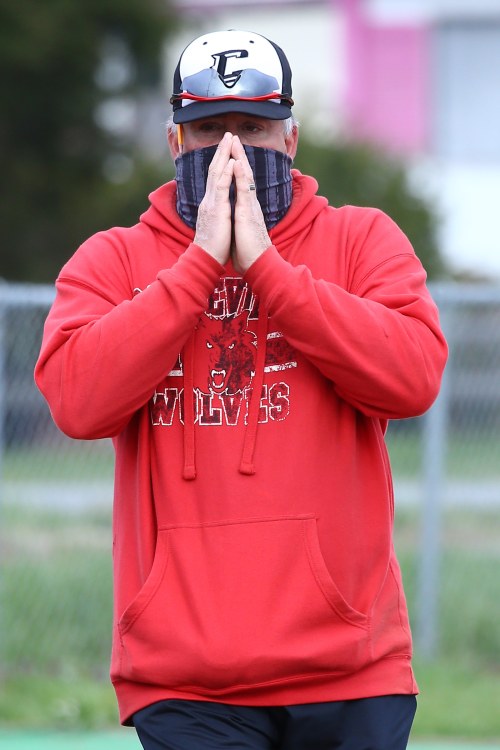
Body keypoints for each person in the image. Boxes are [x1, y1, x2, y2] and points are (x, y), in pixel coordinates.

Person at [35, 28, 448, 750]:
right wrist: (199, 265)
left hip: (352, 669)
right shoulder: (113, 260)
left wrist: (268, 269)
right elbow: (77, 402)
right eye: (208, 130)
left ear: (290, 140)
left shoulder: (362, 241)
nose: (231, 150)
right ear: (174, 141)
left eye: (253, 128)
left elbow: (413, 378)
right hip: (187, 678)